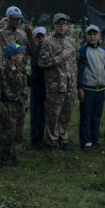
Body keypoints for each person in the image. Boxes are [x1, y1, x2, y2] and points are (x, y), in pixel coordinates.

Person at [38, 13, 78, 151]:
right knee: (53, 115)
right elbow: (42, 62)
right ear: (54, 25)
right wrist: (61, 57)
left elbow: (74, 65)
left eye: (64, 24)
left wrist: (75, 85)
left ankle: (63, 139)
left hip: (69, 85)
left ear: (68, 26)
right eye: (59, 24)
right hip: (55, 86)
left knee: (66, 114)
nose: (62, 26)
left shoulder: (71, 42)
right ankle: (52, 141)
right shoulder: (47, 42)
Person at [0, 43, 28, 167]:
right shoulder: (2, 70)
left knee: (18, 133)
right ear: (12, 57)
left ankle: (13, 155)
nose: (22, 56)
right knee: (6, 134)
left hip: (19, 106)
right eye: (19, 54)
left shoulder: (21, 69)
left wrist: (24, 102)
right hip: (7, 106)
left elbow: (23, 88)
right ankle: (4, 158)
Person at [77, 24, 105, 150]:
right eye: (89, 34)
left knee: (97, 115)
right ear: (86, 36)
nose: (92, 37)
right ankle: (86, 141)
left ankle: (95, 139)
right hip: (88, 89)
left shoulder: (103, 51)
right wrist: (79, 88)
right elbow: (79, 71)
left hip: (101, 89)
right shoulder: (82, 51)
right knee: (86, 115)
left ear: (99, 36)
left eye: (94, 34)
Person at [28, 26, 48, 149]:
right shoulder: (33, 49)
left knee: (46, 113)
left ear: (47, 36)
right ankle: (35, 139)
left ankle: (43, 136)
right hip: (36, 85)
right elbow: (19, 47)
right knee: (36, 113)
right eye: (38, 37)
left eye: (42, 36)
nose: (40, 39)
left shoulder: (50, 48)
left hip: (48, 85)